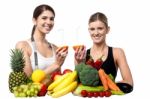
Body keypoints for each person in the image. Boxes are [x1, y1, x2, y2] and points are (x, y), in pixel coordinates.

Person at [74, 12, 133, 93]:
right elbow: (76, 84)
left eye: (100, 28)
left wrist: (108, 86)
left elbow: (129, 81)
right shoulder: (82, 55)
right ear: (89, 31)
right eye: (92, 29)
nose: (96, 33)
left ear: (107, 30)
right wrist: (79, 62)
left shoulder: (117, 52)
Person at [16, 4, 68, 85]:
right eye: (44, 18)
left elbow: (57, 80)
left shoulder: (55, 48)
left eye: (51, 19)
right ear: (34, 21)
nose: (49, 22)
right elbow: (28, 80)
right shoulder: (23, 46)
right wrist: (56, 65)